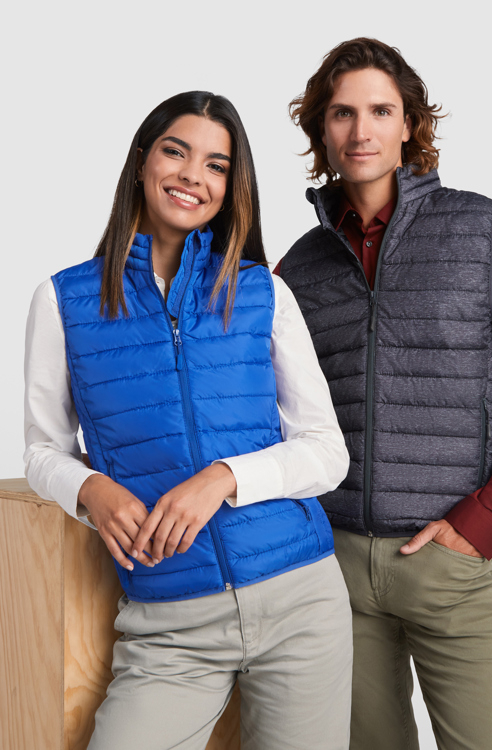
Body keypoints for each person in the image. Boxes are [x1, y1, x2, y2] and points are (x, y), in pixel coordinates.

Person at [275, 38, 492, 750]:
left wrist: (482, 525)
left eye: (380, 111)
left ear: (410, 124)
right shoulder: (299, 267)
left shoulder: (486, 230)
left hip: (449, 562)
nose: (361, 130)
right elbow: (281, 416)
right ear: (321, 130)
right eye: (342, 113)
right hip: (335, 570)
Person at [24, 91, 353, 750]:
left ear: (231, 187)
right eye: (176, 152)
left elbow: (326, 452)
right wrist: (91, 489)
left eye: (216, 165)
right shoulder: (65, 300)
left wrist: (222, 479)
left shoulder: (262, 292)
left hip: (300, 601)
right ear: (143, 161)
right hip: (170, 624)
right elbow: (41, 451)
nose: (192, 176)